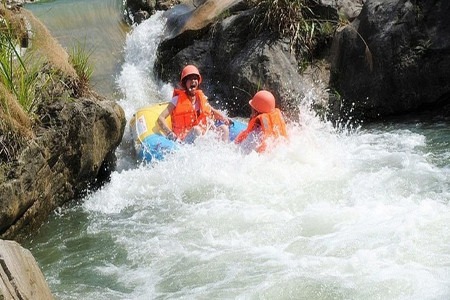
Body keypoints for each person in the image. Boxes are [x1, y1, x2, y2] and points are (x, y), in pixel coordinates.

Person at [157, 65, 232, 143]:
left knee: (224, 128)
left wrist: (225, 118)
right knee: (196, 130)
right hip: (184, 140)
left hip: (202, 136)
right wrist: (170, 134)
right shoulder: (176, 100)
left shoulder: (200, 98)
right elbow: (161, 118)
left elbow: (212, 111)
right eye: (189, 79)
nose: (193, 81)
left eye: (195, 78)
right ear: (184, 83)